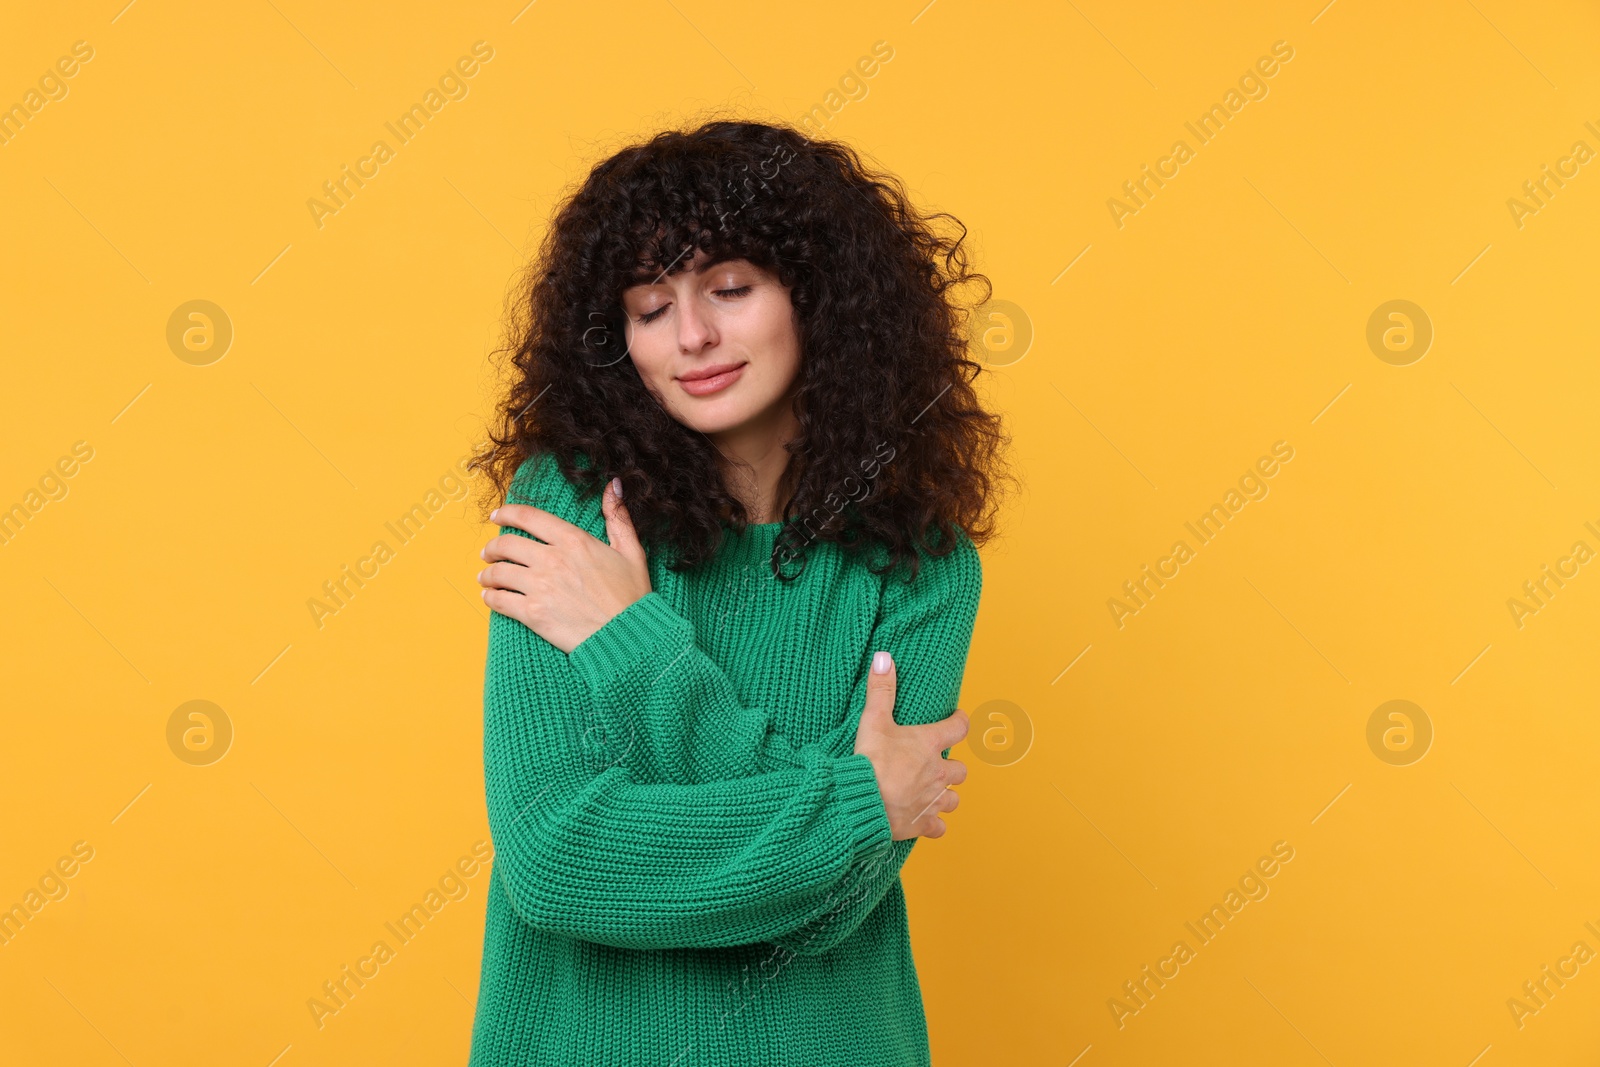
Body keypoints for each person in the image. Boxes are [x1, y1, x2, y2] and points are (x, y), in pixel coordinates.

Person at [465, 117, 1010, 1066]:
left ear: (817, 294)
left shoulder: (922, 563)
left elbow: (832, 908)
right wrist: (852, 800)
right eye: (649, 307)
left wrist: (630, 641)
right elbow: (555, 862)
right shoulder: (571, 509)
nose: (693, 336)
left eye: (729, 287)